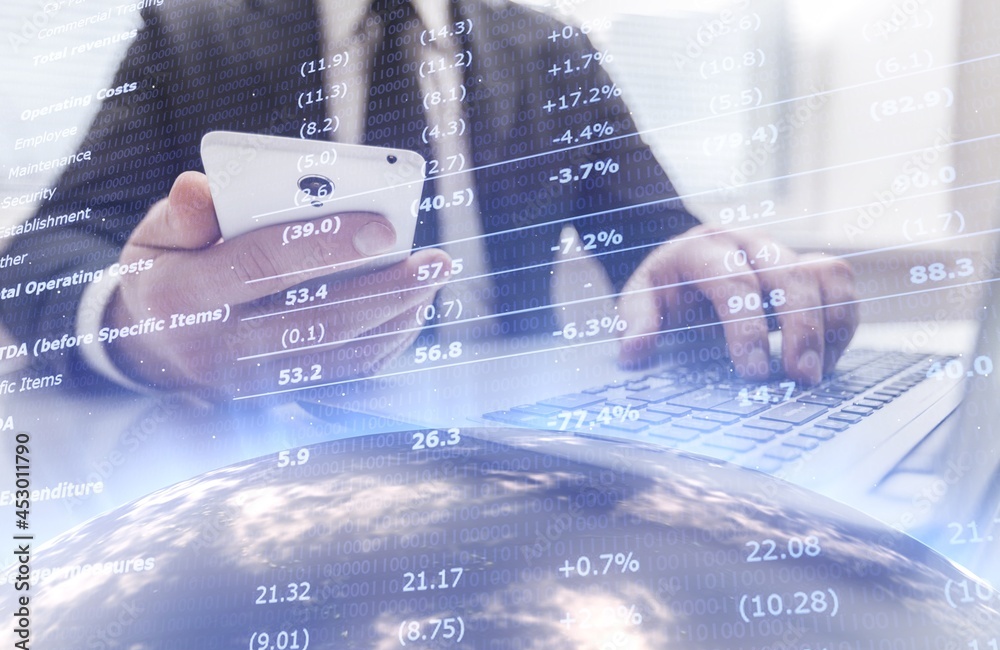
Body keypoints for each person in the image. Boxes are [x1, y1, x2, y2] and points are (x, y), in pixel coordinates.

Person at [0, 0, 857, 400]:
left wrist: (721, 277)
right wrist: (144, 328)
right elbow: (40, 256)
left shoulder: (553, 46)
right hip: (264, 446)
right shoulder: (189, 35)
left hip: (527, 453)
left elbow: (660, 247)